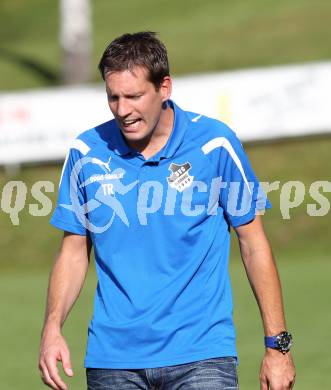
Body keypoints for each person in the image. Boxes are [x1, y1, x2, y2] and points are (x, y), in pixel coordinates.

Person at [39, 31, 296, 390]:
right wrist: (52, 328)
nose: (122, 110)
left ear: (164, 88)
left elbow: (253, 244)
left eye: (134, 96)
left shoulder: (215, 144)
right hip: (113, 362)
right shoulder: (86, 151)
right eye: (113, 97)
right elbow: (73, 250)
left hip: (202, 357)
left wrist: (278, 347)